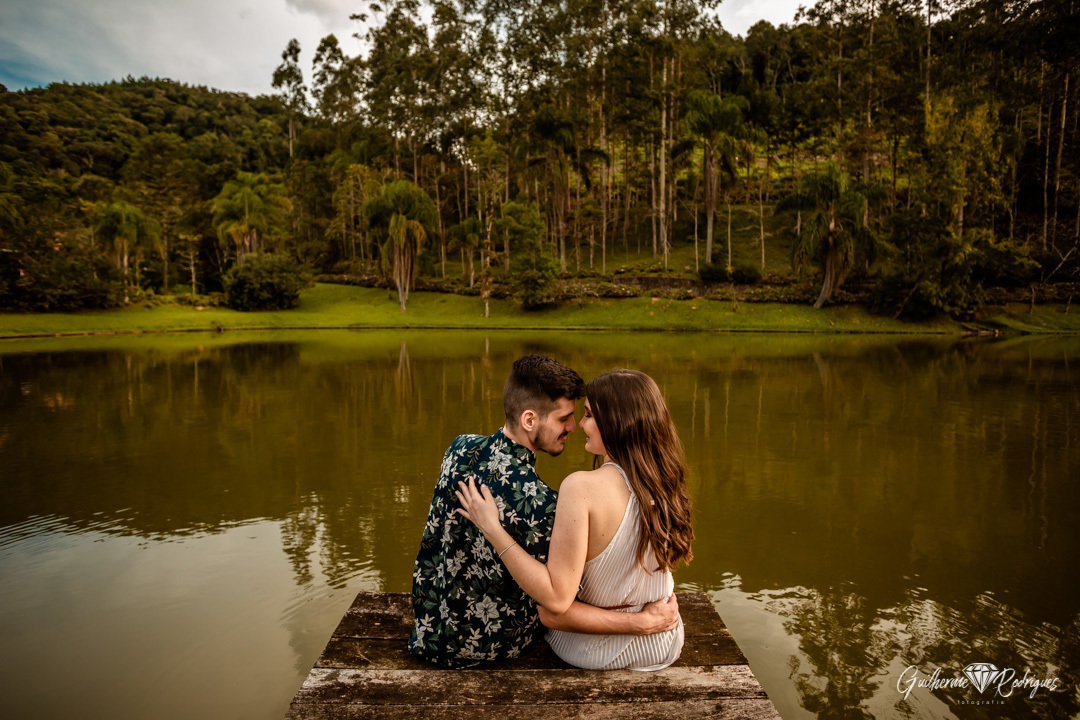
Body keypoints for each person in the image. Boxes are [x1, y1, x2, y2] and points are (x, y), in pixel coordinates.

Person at [409, 356, 679, 669]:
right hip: (494, 646)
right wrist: (642, 621)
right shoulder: (541, 504)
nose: (573, 426)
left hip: (431, 629)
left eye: (581, 415)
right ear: (529, 420)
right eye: (564, 418)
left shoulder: (459, 447)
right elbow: (557, 601)